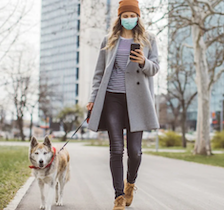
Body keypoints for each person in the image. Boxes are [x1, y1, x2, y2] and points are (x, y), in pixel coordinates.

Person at [86, 0, 159, 209]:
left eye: (132, 15)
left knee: (134, 152)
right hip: (112, 99)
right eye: (125, 16)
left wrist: (144, 61)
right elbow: (99, 72)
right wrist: (92, 98)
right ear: (119, 17)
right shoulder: (108, 40)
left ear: (138, 16)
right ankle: (118, 196)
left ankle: (130, 183)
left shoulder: (149, 39)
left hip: (138, 100)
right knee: (116, 149)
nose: (128, 19)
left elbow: (155, 68)